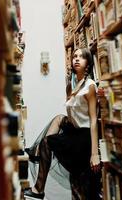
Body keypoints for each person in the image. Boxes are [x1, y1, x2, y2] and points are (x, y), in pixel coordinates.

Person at [24, 48, 102, 200]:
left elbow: (93, 120)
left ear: (88, 63)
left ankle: (39, 183)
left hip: (84, 137)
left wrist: (95, 154)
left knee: (78, 187)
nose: (76, 59)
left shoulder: (90, 86)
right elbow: (73, 114)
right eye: (74, 56)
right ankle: (39, 184)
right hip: (74, 130)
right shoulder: (72, 85)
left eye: (81, 57)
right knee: (59, 118)